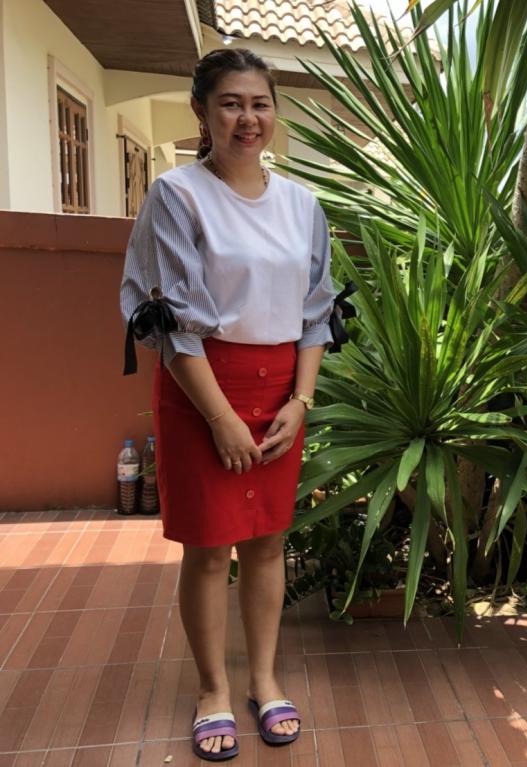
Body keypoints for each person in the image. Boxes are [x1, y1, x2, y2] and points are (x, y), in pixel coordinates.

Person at [120, 48, 335, 762]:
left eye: (260, 103)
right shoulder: (177, 195)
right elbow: (172, 324)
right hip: (200, 387)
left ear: (275, 111)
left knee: (268, 541)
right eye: (231, 103)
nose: (248, 118)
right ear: (202, 112)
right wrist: (218, 418)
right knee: (210, 549)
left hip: (281, 392)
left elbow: (316, 313)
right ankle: (213, 689)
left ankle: (264, 679)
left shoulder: (302, 204)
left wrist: (301, 400)